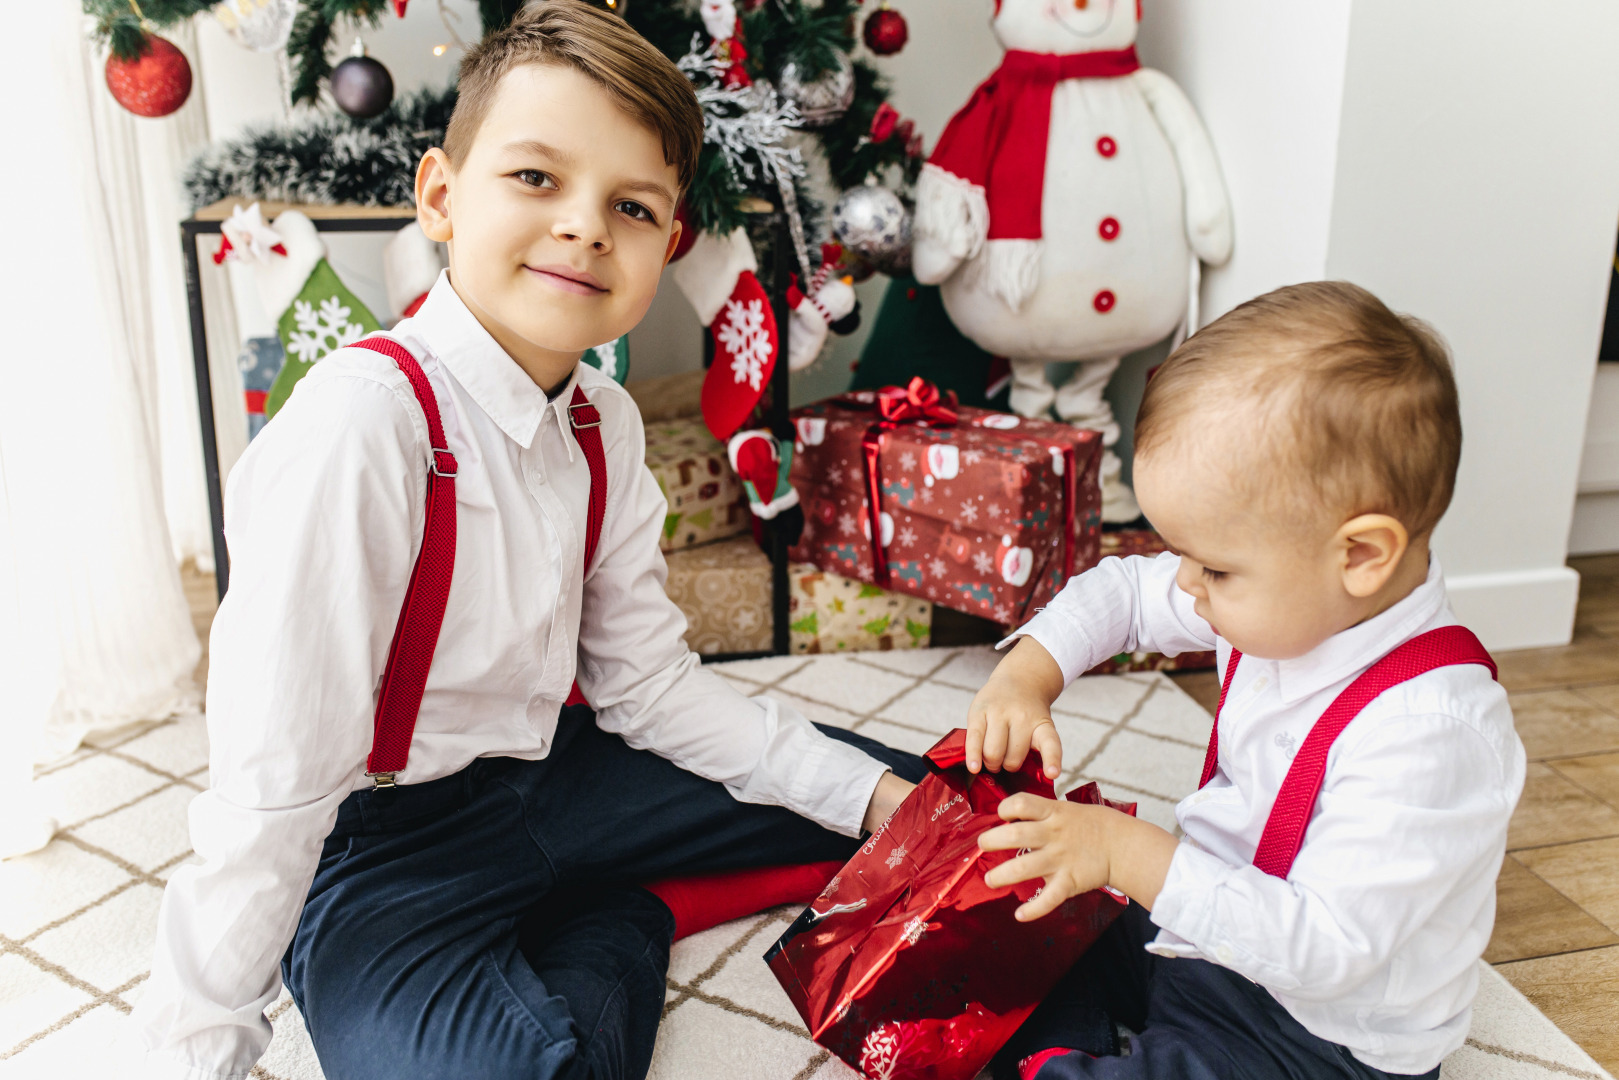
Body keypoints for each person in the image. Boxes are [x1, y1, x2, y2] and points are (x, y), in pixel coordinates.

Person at [125, 4, 922, 1078]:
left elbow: (647, 689)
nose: (586, 227)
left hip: (564, 777)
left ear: (664, 243)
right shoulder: (365, 423)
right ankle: (617, 921)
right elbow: (269, 791)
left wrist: (882, 799)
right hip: (380, 849)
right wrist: (187, 1057)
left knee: (935, 814)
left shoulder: (604, 419)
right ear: (441, 197)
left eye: (631, 206)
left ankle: (608, 884)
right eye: (536, 179)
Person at [963, 281, 1524, 1080]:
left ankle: (1066, 1053)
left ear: (1360, 556)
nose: (1186, 584)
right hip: (1203, 941)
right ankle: (1062, 1039)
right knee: (1021, 904)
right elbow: (1122, 592)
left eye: (1216, 567)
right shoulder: (1291, 599)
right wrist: (1027, 674)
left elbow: (1324, 950)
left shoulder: (1432, 732)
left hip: (1314, 1040)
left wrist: (1130, 854)